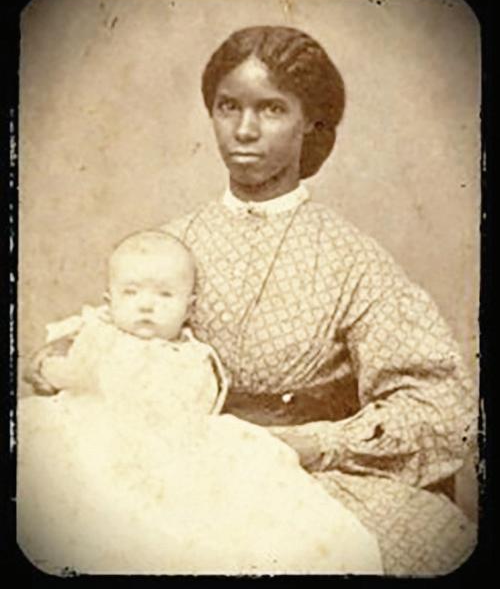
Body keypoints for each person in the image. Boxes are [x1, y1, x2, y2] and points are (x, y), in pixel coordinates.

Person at [25, 25, 477, 575]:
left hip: (302, 479)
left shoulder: (353, 260)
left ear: (310, 122)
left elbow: (438, 407)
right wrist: (62, 362)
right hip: (166, 472)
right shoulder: (169, 246)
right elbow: (102, 347)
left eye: (272, 109)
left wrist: (313, 443)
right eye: (228, 106)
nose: (244, 130)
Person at [18, 230, 382, 574]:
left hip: (164, 444)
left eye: (165, 296)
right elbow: (62, 368)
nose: (146, 305)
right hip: (90, 430)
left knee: (216, 506)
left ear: (189, 308)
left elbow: (197, 404)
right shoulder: (98, 334)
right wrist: (52, 368)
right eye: (131, 293)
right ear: (109, 300)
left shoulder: (191, 356)